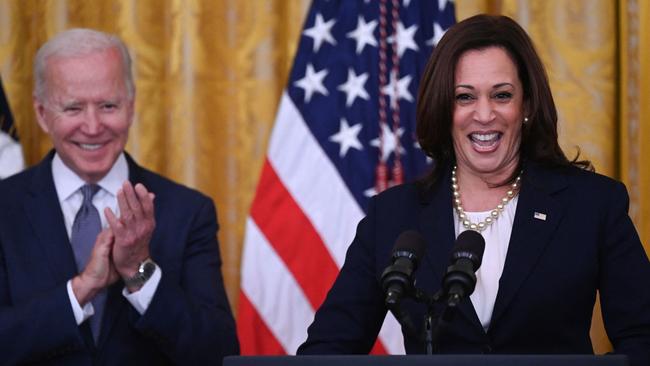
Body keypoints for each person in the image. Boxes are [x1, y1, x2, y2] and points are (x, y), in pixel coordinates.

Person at [297, 14, 650, 366]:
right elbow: (327, 351)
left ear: (526, 105)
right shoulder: (391, 216)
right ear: (443, 108)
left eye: (501, 95)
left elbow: (643, 339)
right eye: (464, 97)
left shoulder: (591, 205)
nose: (484, 114)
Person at [0, 28, 239, 364]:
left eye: (108, 105)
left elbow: (218, 351)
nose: (94, 126)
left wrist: (139, 270)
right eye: (73, 108)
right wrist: (82, 289)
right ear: (42, 114)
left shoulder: (187, 211)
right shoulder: (4, 209)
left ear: (131, 107)